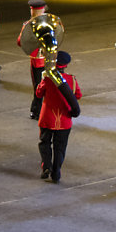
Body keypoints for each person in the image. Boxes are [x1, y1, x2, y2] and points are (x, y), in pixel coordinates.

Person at [35, 51, 81, 184]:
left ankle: (46, 167)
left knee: (44, 143)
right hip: (64, 120)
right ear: (66, 65)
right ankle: (56, 172)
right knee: (60, 147)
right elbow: (77, 95)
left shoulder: (48, 79)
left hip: (47, 118)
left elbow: (39, 93)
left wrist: (42, 79)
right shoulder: (72, 80)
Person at [17, 0, 49, 119]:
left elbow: (20, 42)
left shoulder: (27, 25)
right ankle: (41, 110)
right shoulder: (48, 22)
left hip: (39, 60)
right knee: (46, 86)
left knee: (39, 86)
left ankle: (37, 111)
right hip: (46, 59)